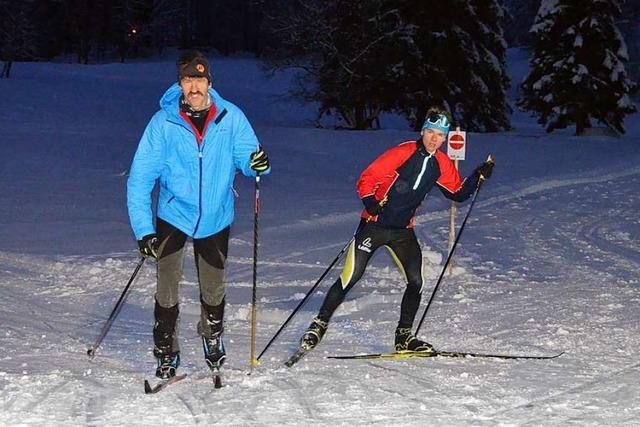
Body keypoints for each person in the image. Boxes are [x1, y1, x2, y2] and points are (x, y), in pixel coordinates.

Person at [299, 107, 493, 353]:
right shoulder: (403, 152)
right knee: (351, 277)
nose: (435, 139)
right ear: (423, 131)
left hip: (403, 231)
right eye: (431, 132)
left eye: (440, 135)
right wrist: (370, 202)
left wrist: (478, 176)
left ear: (445, 138)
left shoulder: (441, 162)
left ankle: (403, 337)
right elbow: (367, 178)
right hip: (374, 226)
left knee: (416, 281)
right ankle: (319, 323)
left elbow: (457, 193)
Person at [127, 49, 270, 379]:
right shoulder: (162, 122)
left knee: (213, 286)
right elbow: (140, 179)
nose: (194, 86)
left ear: (210, 82)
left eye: (199, 79)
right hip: (173, 215)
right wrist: (143, 229)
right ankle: (166, 348)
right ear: (179, 83)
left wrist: (257, 163)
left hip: (216, 216)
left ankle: (212, 336)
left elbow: (250, 159)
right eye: (187, 79)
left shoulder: (230, 117)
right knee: (166, 288)